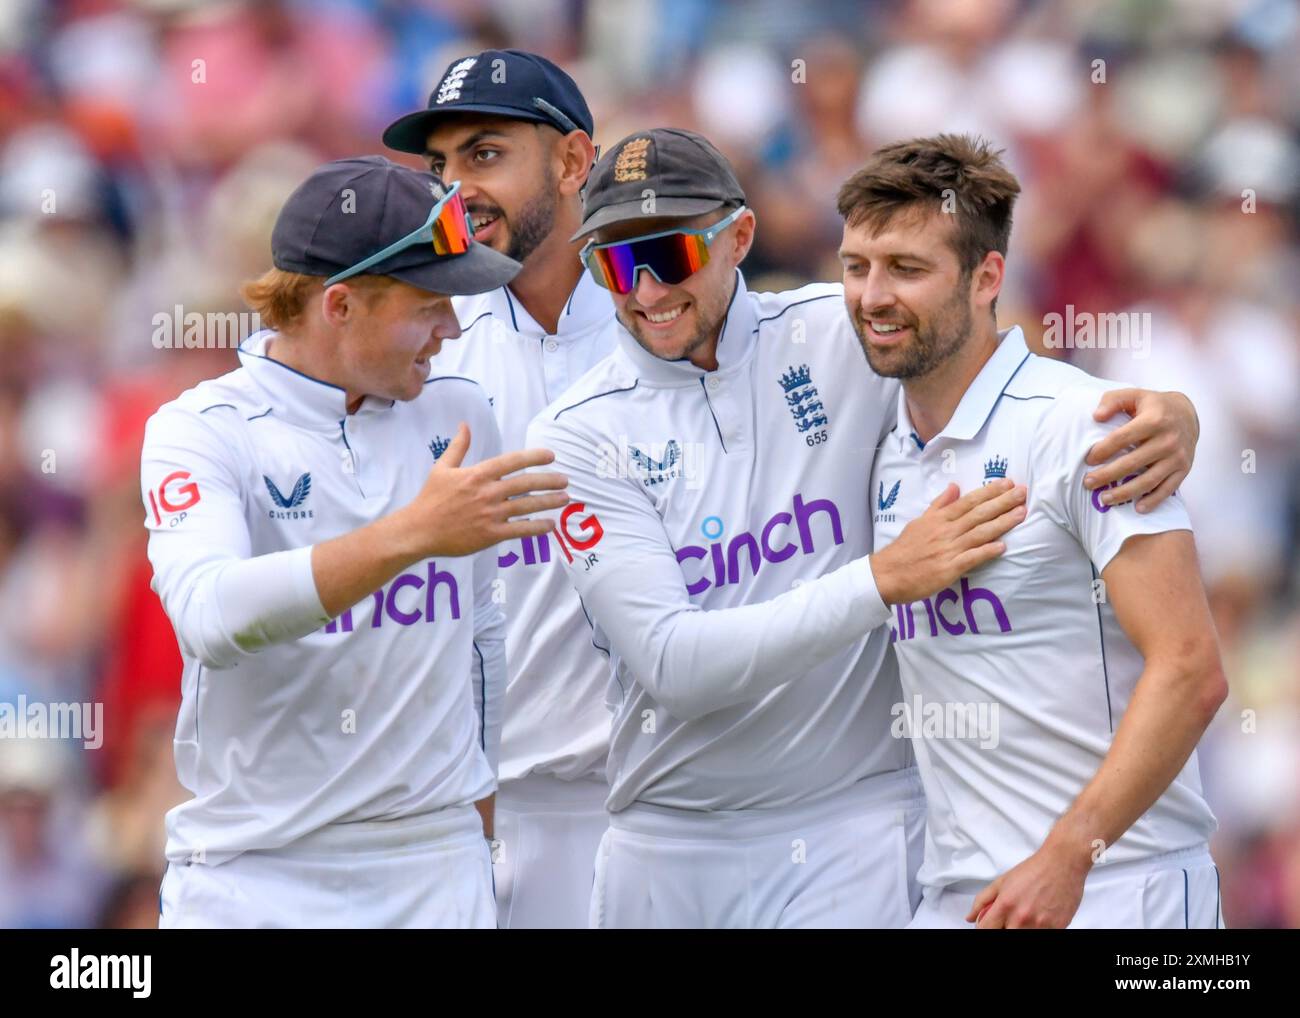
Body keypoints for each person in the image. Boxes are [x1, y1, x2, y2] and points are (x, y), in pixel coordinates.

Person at [525, 128, 1203, 928]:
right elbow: (675, 668)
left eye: (666, 255)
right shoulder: (573, 432)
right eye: (610, 262)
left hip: (857, 836)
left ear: (739, 237)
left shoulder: (838, 334)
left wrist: (1173, 412)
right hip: (666, 848)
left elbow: (980, 346)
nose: (642, 290)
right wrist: (883, 581)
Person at [142, 156, 568, 928]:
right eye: (429, 303)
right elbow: (209, 618)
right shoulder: (201, 432)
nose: (452, 328)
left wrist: (475, 824)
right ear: (339, 306)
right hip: (255, 874)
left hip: (435, 869)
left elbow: (482, 635)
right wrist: (411, 534)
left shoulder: (458, 411)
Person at [841, 134, 1227, 928]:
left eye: (908, 269)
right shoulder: (875, 437)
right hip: (963, 897)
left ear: (987, 279)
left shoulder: (1082, 427)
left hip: (1120, 886)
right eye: (856, 266)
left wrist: (1067, 854)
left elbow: (1191, 670)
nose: (873, 295)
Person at [382, 49, 614, 928]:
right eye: (441, 166)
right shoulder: (423, 348)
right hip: (466, 812)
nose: (455, 189)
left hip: (650, 803)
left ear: (571, 161)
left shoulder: (667, 321)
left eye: (484, 155)